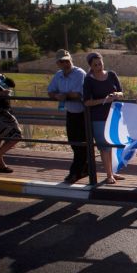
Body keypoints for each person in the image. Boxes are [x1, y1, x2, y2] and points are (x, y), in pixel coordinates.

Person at [82, 52, 124, 184]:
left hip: (113, 116)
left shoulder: (111, 75)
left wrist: (116, 94)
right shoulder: (89, 80)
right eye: (95, 65)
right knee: (104, 147)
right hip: (98, 117)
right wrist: (103, 100)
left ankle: (112, 172)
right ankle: (108, 175)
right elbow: (87, 102)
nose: (98, 67)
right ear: (91, 66)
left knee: (112, 144)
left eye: (100, 63)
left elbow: (121, 93)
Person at [47, 49, 88, 183]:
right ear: (58, 63)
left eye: (67, 60)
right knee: (74, 143)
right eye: (62, 61)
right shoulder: (58, 75)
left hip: (83, 114)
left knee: (80, 144)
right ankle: (84, 169)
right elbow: (50, 91)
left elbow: (79, 93)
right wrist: (56, 95)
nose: (66, 63)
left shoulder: (79, 73)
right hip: (71, 113)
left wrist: (64, 95)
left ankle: (75, 172)